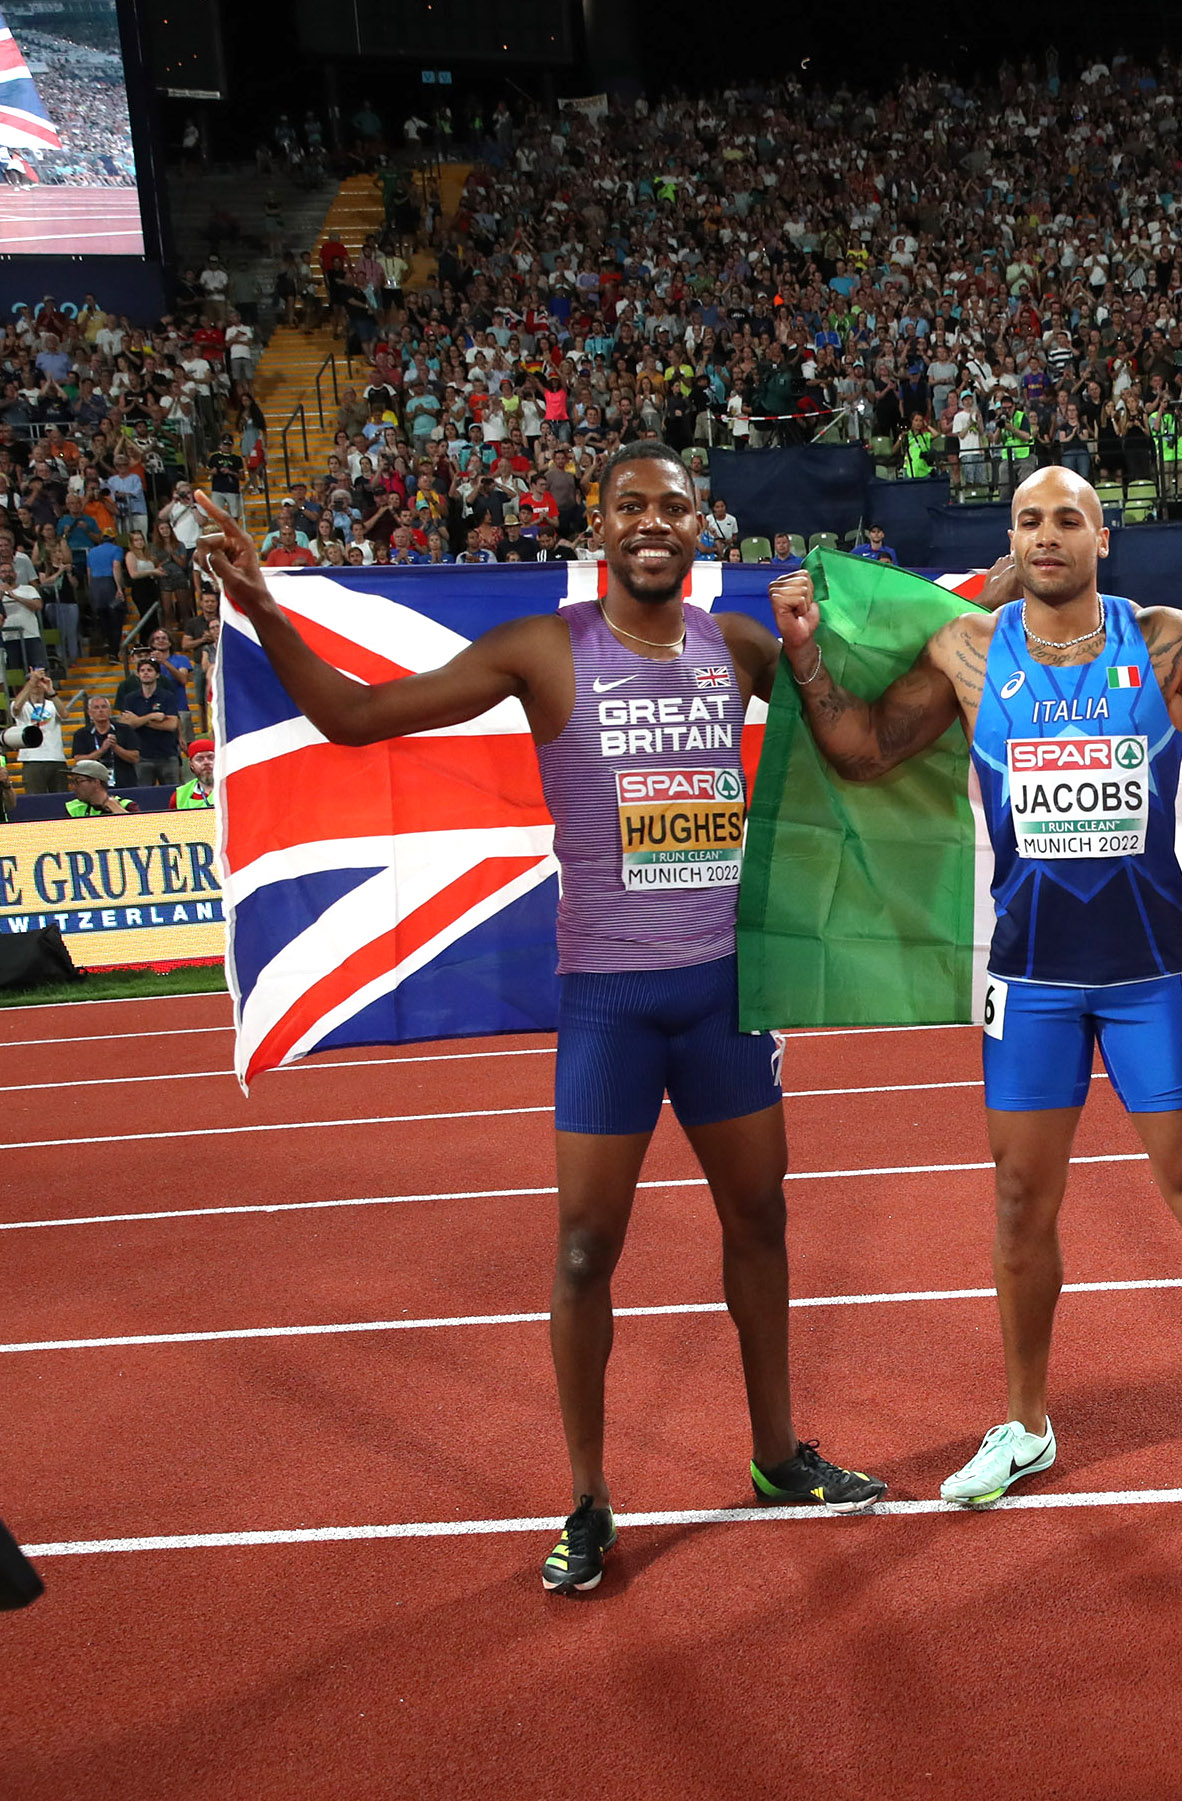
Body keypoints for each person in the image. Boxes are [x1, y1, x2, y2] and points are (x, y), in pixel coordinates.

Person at [189, 441, 886, 1599]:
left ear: (701, 526)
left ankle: (776, 1454)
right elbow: (355, 718)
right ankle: (589, 1499)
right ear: (597, 527)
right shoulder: (544, 648)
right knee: (582, 1249)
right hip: (611, 1003)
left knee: (760, 1219)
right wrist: (262, 606)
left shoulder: (740, 644)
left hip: (726, 992)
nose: (652, 522)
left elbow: (858, 748)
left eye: (672, 506)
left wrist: (829, 646)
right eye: (630, 506)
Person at [768, 464, 1182, 1515]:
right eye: (1029, 520)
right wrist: (807, 652)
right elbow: (862, 753)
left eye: (1068, 519)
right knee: (1018, 1203)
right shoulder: (967, 649)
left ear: (1102, 538)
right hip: (1031, 982)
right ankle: (1026, 1425)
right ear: (1012, 541)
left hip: (1148, 979)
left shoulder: (1165, 640)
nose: (1047, 535)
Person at [114, 654, 183, 789]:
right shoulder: (130, 698)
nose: (146, 673)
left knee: (173, 794)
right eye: (142, 670)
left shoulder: (167, 696)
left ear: (157, 675)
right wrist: (151, 716)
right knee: (143, 795)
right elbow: (126, 724)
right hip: (142, 756)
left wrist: (138, 720)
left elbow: (171, 725)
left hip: (167, 755)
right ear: (137, 674)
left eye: (149, 670)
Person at [10, 667, 67, 793]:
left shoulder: (52, 704)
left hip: (56, 758)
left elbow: (64, 714)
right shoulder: (22, 705)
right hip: (32, 760)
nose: (36, 684)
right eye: (32, 681)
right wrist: (32, 682)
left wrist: (51, 691)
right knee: (36, 798)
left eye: (39, 681)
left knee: (61, 798)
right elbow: (16, 708)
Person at [64, 758, 134, 817]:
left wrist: (117, 809)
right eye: (72, 781)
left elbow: (137, 827)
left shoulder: (126, 805)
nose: (73, 787)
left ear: (96, 782)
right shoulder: (74, 808)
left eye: (78, 781)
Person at [173, 737, 215, 809]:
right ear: (191, 765)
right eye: (199, 759)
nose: (206, 762)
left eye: (211, 757)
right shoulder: (179, 795)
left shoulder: (234, 788)